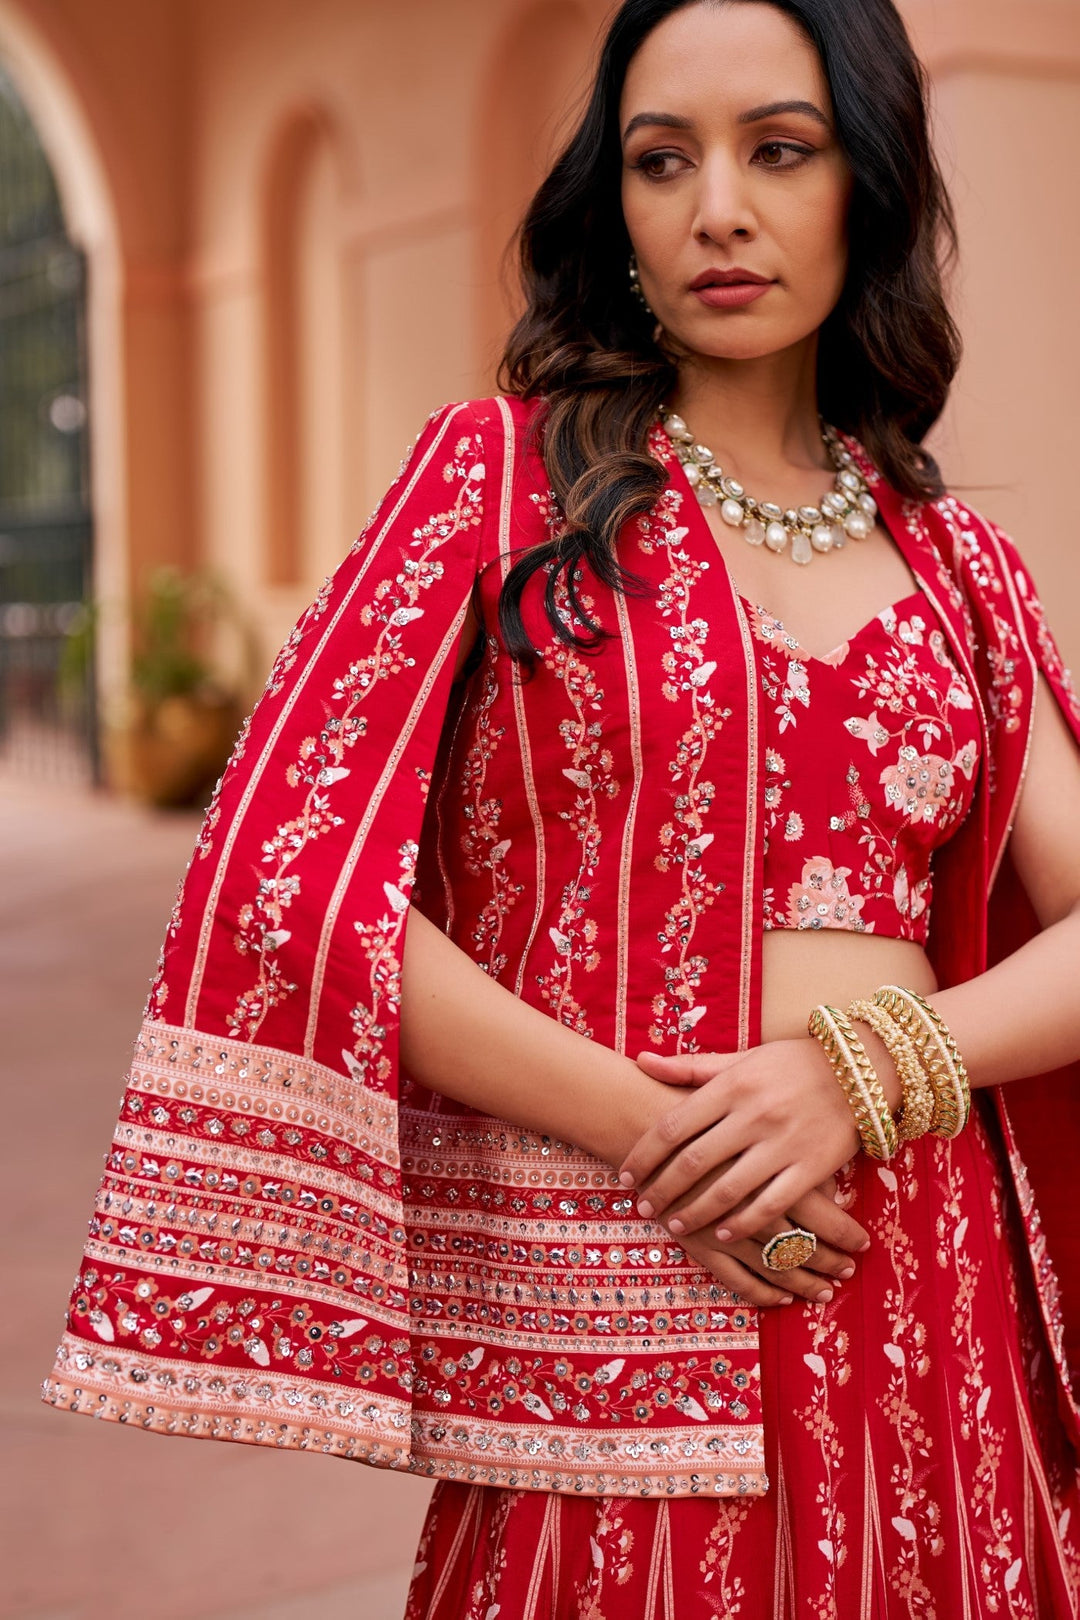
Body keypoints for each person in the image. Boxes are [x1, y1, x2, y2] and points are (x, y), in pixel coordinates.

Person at [43, 0, 1080, 1613]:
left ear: (864, 187)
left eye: (780, 151)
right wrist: (666, 1138)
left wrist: (864, 1079)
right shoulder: (499, 485)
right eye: (663, 160)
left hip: (922, 1287)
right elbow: (295, 878)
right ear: (618, 209)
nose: (717, 207)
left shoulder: (965, 569)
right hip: (618, 1279)